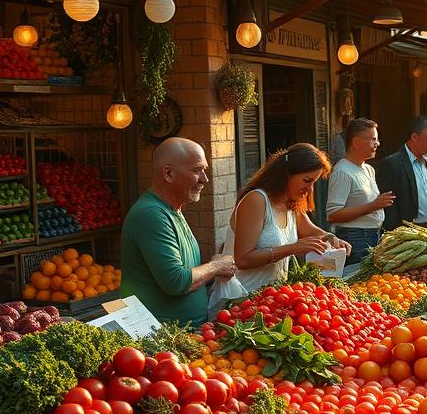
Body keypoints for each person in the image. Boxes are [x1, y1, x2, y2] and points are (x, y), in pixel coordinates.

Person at [121, 137, 236, 327]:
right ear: (168, 173)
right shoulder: (151, 215)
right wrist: (216, 267)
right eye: (197, 170)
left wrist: (211, 271)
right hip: (161, 339)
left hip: (184, 334)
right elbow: (176, 281)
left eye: (204, 171)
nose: (204, 179)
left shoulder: (172, 209)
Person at [226, 144, 348, 293]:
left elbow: (310, 231)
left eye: (314, 183)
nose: (310, 190)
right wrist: (292, 248)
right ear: (286, 175)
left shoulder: (291, 203)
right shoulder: (256, 200)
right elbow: (242, 260)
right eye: (307, 180)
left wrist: (331, 238)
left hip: (272, 297)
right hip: (240, 297)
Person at [326, 118, 396, 266]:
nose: (377, 144)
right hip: (354, 237)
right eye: (373, 139)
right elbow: (333, 215)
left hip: (373, 234)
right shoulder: (342, 172)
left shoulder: (368, 169)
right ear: (356, 143)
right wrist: (373, 206)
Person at [375, 116, 427, 233]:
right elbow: (388, 204)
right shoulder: (392, 164)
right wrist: (398, 233)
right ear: (414, 136)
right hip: (407, 233)